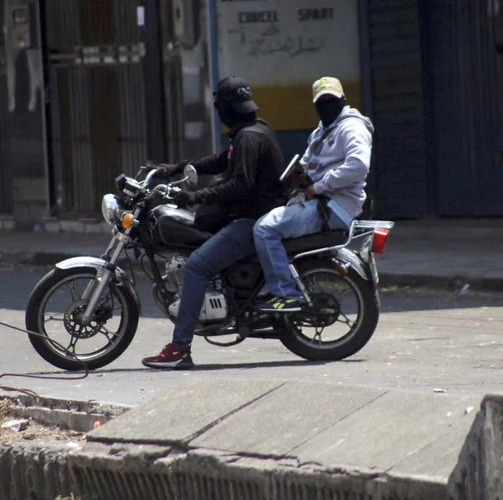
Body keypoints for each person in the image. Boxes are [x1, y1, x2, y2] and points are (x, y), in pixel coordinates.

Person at [141, 76, 287, 370]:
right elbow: (222, 160)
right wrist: (178, 168)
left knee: (196, 265)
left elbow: (239, 185)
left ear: (226, 109)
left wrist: (192, 196)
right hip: (254, 216)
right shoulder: (256, 131)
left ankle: (180, 348)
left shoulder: (247, 138)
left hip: (251, 221)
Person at [254, 76, 374, 313]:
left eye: (331, 100)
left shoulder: (351, 127)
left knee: (265, 229)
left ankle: (285, 294)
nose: (326, 105)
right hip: (321, 201)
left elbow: (358, 165)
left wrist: (317, 187)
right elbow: (309, 163)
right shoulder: (322, 131)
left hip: (334, 207)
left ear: (343, 100)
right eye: (321, 102)